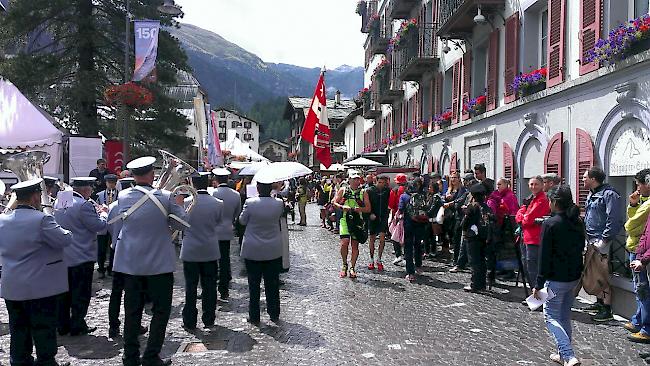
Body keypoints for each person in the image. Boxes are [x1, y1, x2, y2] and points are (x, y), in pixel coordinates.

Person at [112, 156, 189, 366]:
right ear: (151, 174)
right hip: (159, 265)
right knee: (160, 312)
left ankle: (130, 357)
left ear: (133, 176)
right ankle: (151, 356)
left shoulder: (123, 195)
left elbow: (118, 219)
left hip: (131, 265)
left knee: (132, 312)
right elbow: (182, 224)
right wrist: (177, 207)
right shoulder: (166, 197)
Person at [0, 179, 72, 366]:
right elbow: (64, 240)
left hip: (12, 285)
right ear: (34, 197)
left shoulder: (2, 219)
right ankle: (46, 362)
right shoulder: (42, 219)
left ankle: (20, 361)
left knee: (18, 327)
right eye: (39, 195)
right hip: (39, 286)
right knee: (43, 328)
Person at [533, 185, 584, 366]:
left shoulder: (550, 224)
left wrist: (538, 283)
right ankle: (563, 354)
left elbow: (544, 256)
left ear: (554, 202)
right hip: (573, 277)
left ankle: (569, 355)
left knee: (551, 317)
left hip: (555, 279)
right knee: (563, 316)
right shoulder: (577, 221)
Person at [54, 177, 108, 337]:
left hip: (64, 255)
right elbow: (99, 226)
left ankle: (62, 325)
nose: (91, 192)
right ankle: (77, 324)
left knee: (64, 293)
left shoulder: (61, 200)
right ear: (85, 190)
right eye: (90, 189)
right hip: (81, 255)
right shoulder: (84, 205)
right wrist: (104, 214)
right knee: (81, 293)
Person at [181, 173, 224, 330]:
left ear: (192, 183)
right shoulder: (218, 203)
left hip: (190, 249)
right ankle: (209, 318)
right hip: (210, 249)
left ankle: (190, 320)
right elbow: (218, 222)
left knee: (190, 287)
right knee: (210, 286)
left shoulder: (186, 202)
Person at [239, 181, 285, 325]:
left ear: (257, 188)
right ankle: (274, 312)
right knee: (272, 283)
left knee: (253, 285)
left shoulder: (250, 202)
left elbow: (242, 220)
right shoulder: (278, 203)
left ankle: (254, 316)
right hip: (272, 248)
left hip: (253, 248)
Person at [581, 166, 624, 322]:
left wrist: (604, 240)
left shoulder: (610, 194)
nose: (582, 180)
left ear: (593, 179)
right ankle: (599, 303)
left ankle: (607, 309)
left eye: (585, 177)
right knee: (594, 273)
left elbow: (614, 219)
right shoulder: (592, 194)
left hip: (601, 241)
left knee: (602, 273)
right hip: (591, 239)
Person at [106, 177, 147, 339]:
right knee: (135, 292)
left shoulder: (113, 206)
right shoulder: (141, 205)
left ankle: (113, 326)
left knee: (115, 293)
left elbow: (108, 227)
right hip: (134, 253)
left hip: (117, 250)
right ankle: (134, 325)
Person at [624, 169, 650, 337]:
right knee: (639, 288)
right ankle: (638, 320)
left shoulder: (648, 203)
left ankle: (646, 327)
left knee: (642, 290)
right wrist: (633, 205)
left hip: (641, 251)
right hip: (637, 248)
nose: (637, 187)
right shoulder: (644, 200)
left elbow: (630, 226)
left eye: (639, 183)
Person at [332, 172, 371, 278]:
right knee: (344, 243)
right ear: (349, 180)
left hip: (357, 220)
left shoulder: (363, 192)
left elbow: (368, 208)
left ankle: (352, 267)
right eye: (354, 179)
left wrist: (359, 209)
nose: (356, 181)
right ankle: (344, 264)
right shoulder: (343, 190)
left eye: (358, 179)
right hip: (345, 219)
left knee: (355, 245)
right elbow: (334, 202)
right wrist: (341, 207)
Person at [515, 176, 550, 292]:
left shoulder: (542, 199)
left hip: (535, 239)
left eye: (536, 184)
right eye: (531, 184)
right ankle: (534, 296)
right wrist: (522, 215)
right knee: (527, 267)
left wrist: (522, 217)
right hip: (526, 237)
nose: (533, 187)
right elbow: (519, 213)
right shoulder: (531, 199)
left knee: (533, 269)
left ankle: (538, 297)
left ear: (542, 185)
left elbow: (528, 219)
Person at [212, 168, 242, 302]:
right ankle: (224, 289)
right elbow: (237, 213)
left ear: (216, 180)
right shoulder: (235, 194)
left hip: (212, 231)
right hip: (227, 229)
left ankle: (211, 288)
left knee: (212, 261)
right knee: (225, 259)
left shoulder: (212, 193)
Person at [461, 183, 495, 292]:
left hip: (473, 238)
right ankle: (482, 284)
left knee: (474, 262)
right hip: (484, 237)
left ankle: (475, 284)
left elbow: (464, 223)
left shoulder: (472, 206)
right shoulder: (487, 207)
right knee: (482, 262)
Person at [401, 177, 429, 282]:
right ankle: (418, 265)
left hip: (409, 224)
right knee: (418, 244)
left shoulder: (404, 196)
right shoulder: (423, 195)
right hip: (420, 223)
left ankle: (410, 272)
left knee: (408, 248)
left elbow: (400, 209)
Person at [448, 173, 474, 273]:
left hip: (465, 220)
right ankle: (459, 262)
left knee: (462, 243)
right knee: (460, 243)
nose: (464, 182)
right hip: (460, 219)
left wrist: (456, 205)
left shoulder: (466, 191)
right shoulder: (464, 191)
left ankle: (459, 263)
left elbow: (458, 203)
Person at [96, 173, 118, 278]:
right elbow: (96, 208)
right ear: (106, 183)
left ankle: (112, 268)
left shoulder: (121, 195)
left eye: (113, 183)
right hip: (103, 224)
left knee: (114, 246)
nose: (111, 185)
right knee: (101, 247)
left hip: (115, 223)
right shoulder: (99, 195)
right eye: (109, 183)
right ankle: (101, 269)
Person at [366, 175, 391, 271]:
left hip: (383, 217)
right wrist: (370, 214)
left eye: (384, 183)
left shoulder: (387, 191)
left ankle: (379, 259)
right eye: (380, 182)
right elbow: (366, 203)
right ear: (376, 181)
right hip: (373, 217)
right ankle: (371, 259)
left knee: (382, 239)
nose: (382, 185)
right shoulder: (370, 191)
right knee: (372, 238)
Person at [389, 173, 408, 265]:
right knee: (407, 236)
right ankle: (407, 256)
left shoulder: (394, 190)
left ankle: (398, 255)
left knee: (395, 236)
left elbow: (391, 205)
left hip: (398, 215)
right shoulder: (410, 190)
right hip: (409, 216)